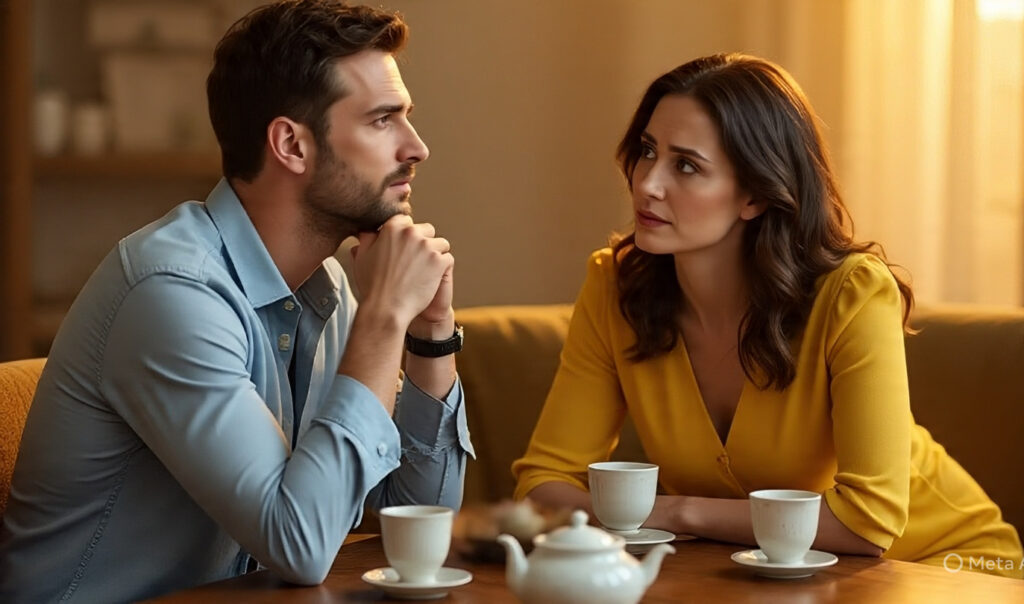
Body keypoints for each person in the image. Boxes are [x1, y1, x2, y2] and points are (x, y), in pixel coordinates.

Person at [0, 1, 474, 601]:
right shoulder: (172, 292)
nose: (417, 147)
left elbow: (418, 517)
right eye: (383, 120)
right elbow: (299, 545)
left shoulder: (326, 290)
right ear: (291, 146)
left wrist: (430, 333)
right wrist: (384, 320)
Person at [512, 53, 1022, 577]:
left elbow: (868, 523)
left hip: (945, 567)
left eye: (686, 164)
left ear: (754, 194)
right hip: (771, 578)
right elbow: (545, 482)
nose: (648, 183)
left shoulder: (852, 295)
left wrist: (674, 512)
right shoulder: (615, 286)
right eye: (647, 151)